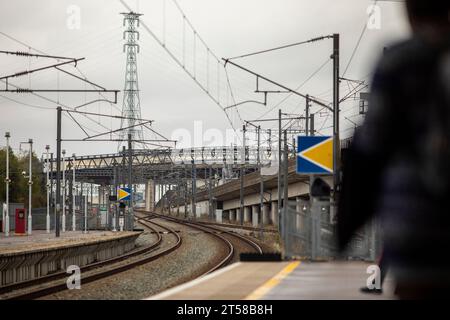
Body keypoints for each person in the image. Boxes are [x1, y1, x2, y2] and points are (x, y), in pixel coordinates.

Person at [337, 1, 450, 299]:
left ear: (410, 12)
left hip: (418, 223)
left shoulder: (400, 61)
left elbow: (373, 143)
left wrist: (347, 222)